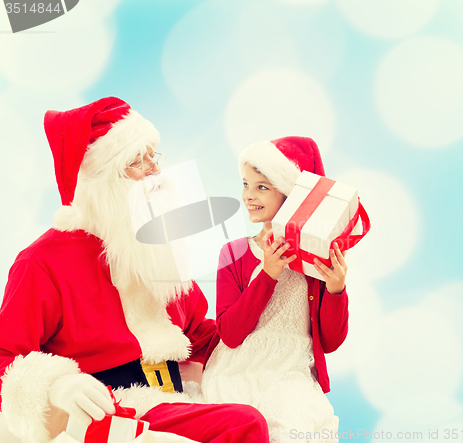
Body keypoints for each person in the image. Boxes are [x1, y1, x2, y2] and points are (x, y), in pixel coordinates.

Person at [0, 97, 269, 443]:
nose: (154, 171)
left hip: (177, 394)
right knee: (243, 424)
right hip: (117, 407)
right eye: (135, 162)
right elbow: (5, 358)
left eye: (152, 156)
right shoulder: (42, 262)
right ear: (100, 180)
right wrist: (57, 384)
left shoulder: (158, 244)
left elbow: (199, 332)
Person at [201, 137, 349, 443]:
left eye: (262, 187)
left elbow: (331, 341)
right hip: (238, 370)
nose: (248, 196)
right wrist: (268, 273)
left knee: (297, 428)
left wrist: (336, 291)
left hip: (292, 373)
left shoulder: (318, 261)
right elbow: (230, 333)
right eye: (245, 184)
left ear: (292, 196)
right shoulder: (235, 252)